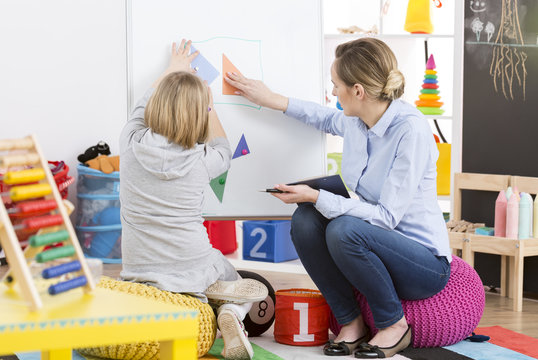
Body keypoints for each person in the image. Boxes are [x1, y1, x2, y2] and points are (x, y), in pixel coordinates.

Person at [225, 37, 451, 359]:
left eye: (336, 85)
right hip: (378, 248)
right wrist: (270, 98)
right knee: (305, 219)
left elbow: (386, 217)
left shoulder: (410, 131)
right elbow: (321, 116)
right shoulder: (357, 121)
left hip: (423, 265)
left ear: (358, 91)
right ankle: (351, 321)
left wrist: (318, 196)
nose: (333, 93)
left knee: (343, 229)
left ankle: (395, 325)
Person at [119, 39, 267, 360]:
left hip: (140, 266)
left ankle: (204, 301)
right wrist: (209, 105)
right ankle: (230, 312)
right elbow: (224, 150)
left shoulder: (130, 145)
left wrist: (172, 69)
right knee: (239, 284)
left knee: (172, 298)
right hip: (193, 260)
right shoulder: (202, 159)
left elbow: (140, 109)